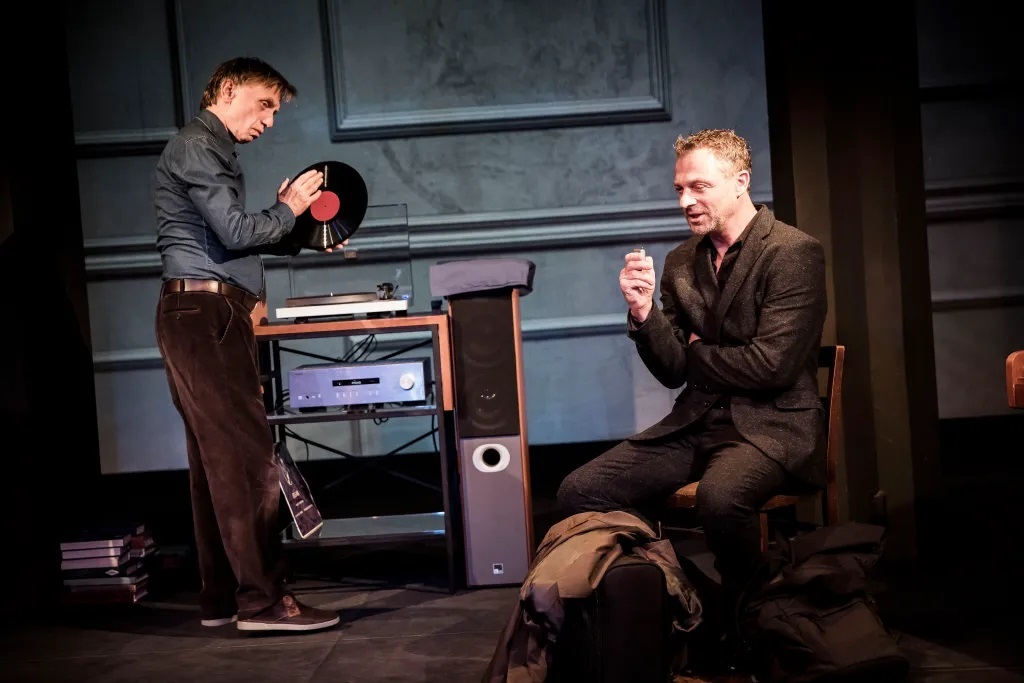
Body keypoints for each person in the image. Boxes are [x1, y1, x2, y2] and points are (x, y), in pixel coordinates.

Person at [557, 128, 828, 661]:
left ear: (740, 181)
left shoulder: (793, 252)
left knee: (720, 500)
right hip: (697, 421)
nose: (686, 200)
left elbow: (771, 367)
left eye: (699, 187)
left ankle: (753, 620)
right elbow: (671, 370)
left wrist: (698, 352)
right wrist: (644, 314)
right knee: (580, 490)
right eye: (680, 189)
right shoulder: (683, 261)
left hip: (771, 426)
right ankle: (708, 606)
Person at [153, 56, 342, 632]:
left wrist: (297, 226)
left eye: (275, 112)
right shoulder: (197, 146)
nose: (268, 120)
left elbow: (231, 238)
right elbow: (236, 231)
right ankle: (263, 603)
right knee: (246, 459)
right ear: (228, 88)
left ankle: (223, 599)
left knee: (215, 464)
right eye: (265, 104)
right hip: (205, 313)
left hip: (200, 312)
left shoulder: (209, 150)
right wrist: (287, 210)